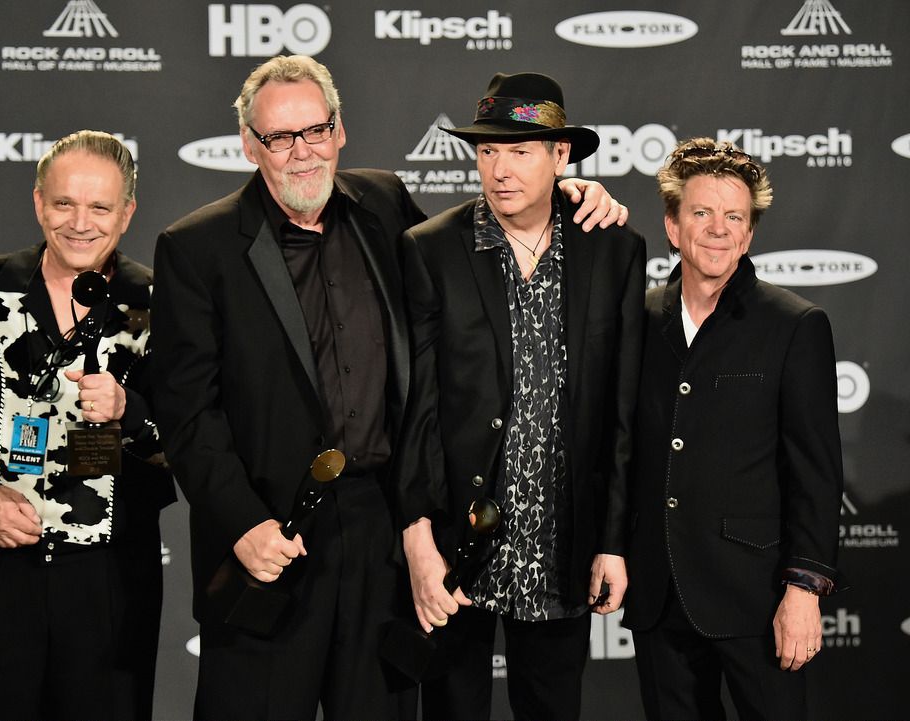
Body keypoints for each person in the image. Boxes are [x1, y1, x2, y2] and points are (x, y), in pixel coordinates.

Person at [149, 55, 627, 721]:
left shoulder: (384, 206)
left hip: (382, 535)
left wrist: (573, 195)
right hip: (272, 535)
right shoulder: (196, 248)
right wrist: (245, 521)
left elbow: (483, 242)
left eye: (314, 131)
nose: (300, 152)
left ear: (339, 131)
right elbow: (186, 412)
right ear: (248, 145)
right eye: (278, 137)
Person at [395, 72, 646, 721]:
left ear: (562, 155)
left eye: (520, 151)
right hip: (459, 549)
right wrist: (419, 538)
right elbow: (417, 406)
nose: (500, 169)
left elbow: (621, 414)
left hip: (564, 546)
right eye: (487, 151)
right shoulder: (432, 250)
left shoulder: (614, 250)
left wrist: (612, 540)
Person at [0, 130, 175, 720]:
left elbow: (195, 433)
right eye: (63, 203)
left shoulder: (161, 304)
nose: (80, 222)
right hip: (2, 568)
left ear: (127, 212)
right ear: (37, 203)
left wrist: (130, 410)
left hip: (110, 580)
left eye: (99, 206)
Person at [623, 137, 844, 720]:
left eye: (734, 217)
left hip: (758, 596)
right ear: (673, 226)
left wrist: (803, 590)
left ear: (747, 235)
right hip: (659, 595)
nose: (717, 229)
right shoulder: (637, 319)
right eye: (701, 213)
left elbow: (816, 476)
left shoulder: (794, 325)